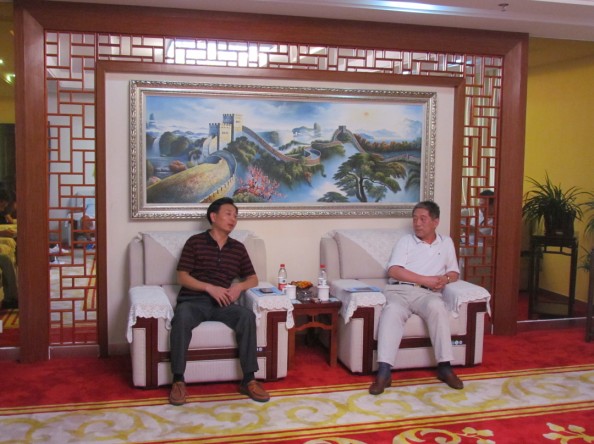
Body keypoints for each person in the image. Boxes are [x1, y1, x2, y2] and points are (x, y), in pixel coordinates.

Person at [168, 197, 269, 405]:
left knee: (246, 316)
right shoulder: (195, 242)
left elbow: (253, 279)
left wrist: (239, 287)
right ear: (213, 217)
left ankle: (249, 380)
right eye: (228, 214)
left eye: (236, 216)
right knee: (182, 316)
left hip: (223, 304)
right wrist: (209, 287)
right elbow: (182, 277)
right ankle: (178, 380)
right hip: (194, 301)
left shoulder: (238, 248)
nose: (233, 219)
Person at [369, 200, 464, 395]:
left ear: (435, 222)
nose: (417, 223)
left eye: (423, 219)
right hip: (399, 292)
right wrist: (425, 279)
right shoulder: (406, 241)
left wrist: (445, 279)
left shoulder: (446, 243)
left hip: (427, 295)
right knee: (391, 312)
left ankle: (445, 367)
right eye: (414, 219)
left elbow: (454, 272)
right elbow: (394, 270)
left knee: (438, 308)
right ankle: (384, 372)